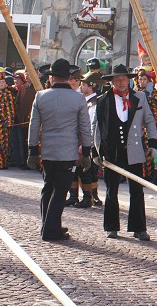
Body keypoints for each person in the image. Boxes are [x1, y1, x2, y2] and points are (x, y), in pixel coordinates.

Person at [27, 59, 91, 241]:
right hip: (67, 152)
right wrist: (86, 152)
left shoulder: (41, 96)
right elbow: (85, 128)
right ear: (68, 77)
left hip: (48, 151)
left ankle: (48, 225)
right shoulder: (78, 98)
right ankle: (50, 230)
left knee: (48, 188)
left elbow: (34, 127)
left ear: (52, 77)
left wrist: (32, 150)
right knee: (60, 191)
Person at [94, 64, 157, 241]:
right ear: (112, 82)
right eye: (117, 80)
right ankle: (112, 226)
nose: (121, 83)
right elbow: (97, 128)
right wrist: (95, 151)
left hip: (134, 150)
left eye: (123, 79)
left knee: (137, 190)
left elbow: (150, 121)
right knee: (111, 190)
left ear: (129, 80)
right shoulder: (103, 100)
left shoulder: (140, 98)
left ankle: (139, 228)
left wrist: (153, 143)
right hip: (111, 151)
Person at [74, 71, 104, 208]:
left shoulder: (94, 104)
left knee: (88, 171)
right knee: (81, 170)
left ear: (91, 86)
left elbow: (92, 126)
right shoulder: (85, 101)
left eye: (84, 84)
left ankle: (90, 197)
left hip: (88, 143)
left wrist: (88, 144)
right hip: (81, 141)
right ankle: (86, 197)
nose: (81, 86)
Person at [12, 70, 37, 169]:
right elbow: (17, 103)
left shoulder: (37, 88)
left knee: (30, 142)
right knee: (21, 141)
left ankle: (31, 162)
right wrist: (18, 115)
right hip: (21, 120)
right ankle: (22, 161)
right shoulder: (23, 88)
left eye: (29, 74)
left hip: (32, 120)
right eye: (26, 74)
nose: (27, 76)